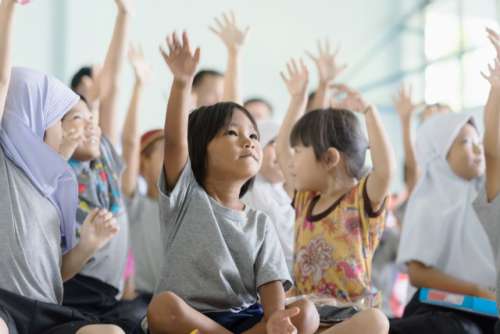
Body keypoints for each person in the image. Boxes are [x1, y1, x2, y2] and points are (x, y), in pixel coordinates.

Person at [147, 31, 319, 334]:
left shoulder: (259, 223)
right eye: (232, 133)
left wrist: (277, 317)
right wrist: (181, 81)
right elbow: (175, 142)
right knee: (164, 308)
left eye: (253, 135)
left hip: (244, 319)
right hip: (193, 322)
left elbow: (271, 283)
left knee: (305, 313)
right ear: (199, 148)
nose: (249, 142)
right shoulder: (186, 196)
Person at [276, 58, 393, 334]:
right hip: (305, 314)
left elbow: (386, 170)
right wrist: (297, 99)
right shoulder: (305, 198)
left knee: (377, 322)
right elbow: (281, 149)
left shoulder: (361, 198)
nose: (290, 162)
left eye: (299, 152)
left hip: (348, 318)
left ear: (329, 158)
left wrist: (368, 112)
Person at [242, 120, 295, 273]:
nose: (284, 153)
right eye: (274, 143)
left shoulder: (284, 195)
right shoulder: (247, 187)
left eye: (291, 147)